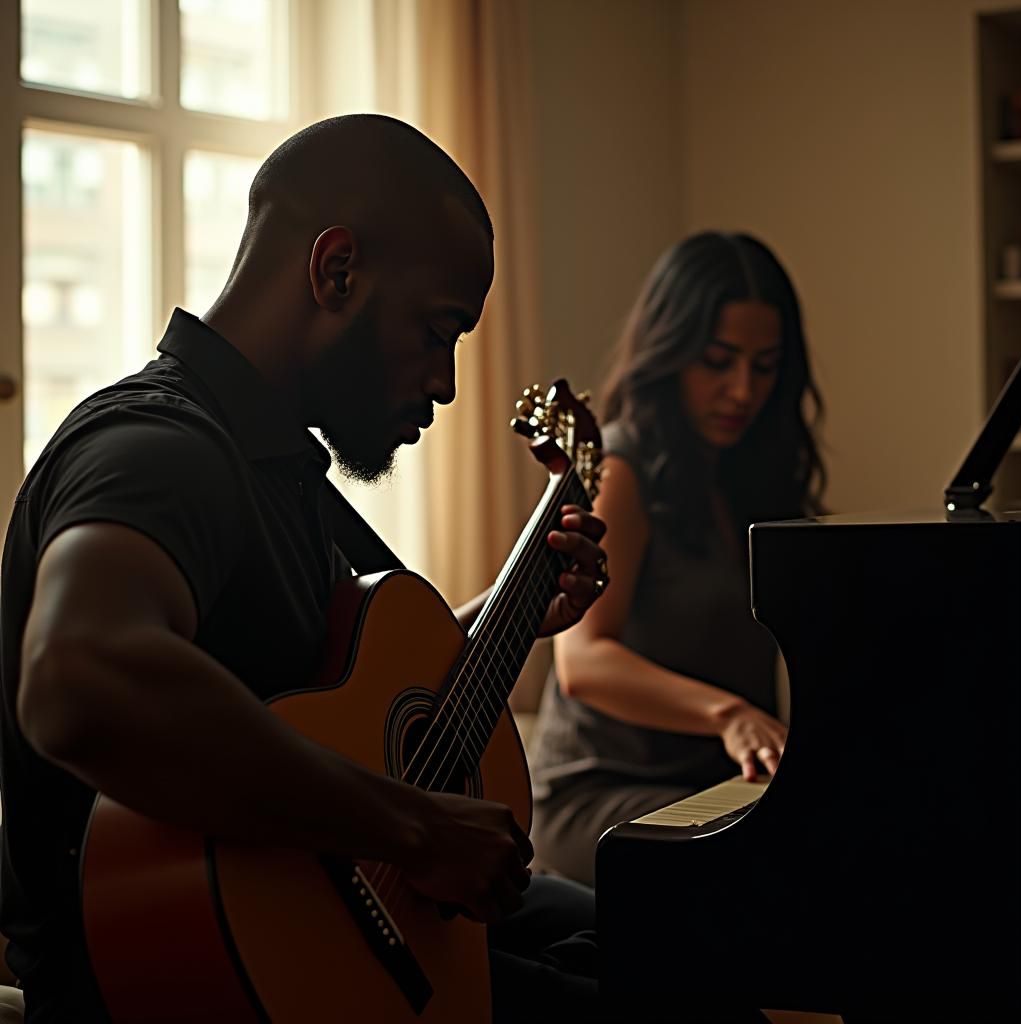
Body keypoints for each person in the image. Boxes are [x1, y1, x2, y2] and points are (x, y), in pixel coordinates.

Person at [0, 114, 614, 1023]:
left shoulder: (276, 470)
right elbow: (78, 676)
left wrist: (510, 613)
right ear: (335, 271)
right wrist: (413, 826)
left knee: (667, 936)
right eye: (439, 330)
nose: (445, 382)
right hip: (185, 983)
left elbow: (336, 710)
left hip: (318, 914)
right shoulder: (161, 448)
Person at [528, 231, 827, 887]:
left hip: (715, 780)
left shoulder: (751, 477)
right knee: (785, 860)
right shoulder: (625, 470)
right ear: (670, 354)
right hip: (603, 791)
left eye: (765, 366)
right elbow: (582, 661)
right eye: (718, 361)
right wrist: (730, 714)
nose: (743, 390)